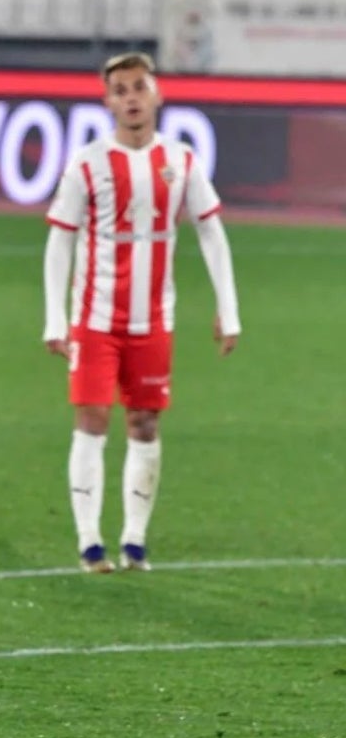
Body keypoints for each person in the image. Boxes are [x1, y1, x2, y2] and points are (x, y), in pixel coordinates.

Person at [42, 52, 241, 573]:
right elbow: (60, 241)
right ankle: (89, 542)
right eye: (120, 90)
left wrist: (229, 309)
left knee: (145, 422)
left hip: (154, 319)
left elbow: (211, 231)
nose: (130, 98)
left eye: (138, 88)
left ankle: (133, 540)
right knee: (91, 418)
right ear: (107, 102)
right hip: (96, 317)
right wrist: (54, 318)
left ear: (157, 96)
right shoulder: (86, 163)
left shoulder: (181, 161)